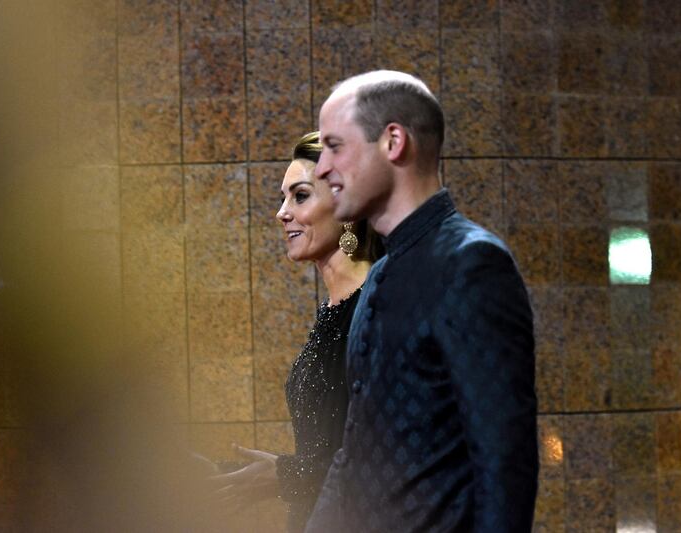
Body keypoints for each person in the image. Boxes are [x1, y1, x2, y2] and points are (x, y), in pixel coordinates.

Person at [305, 71, 538, 532]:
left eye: (335, 146)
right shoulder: (381, 274)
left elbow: (504, 461)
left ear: (393, 141)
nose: (321, 168)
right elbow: (354, 450)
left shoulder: (471, 263)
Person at [211, 132, 384, 533]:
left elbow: (388, 459)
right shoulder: (334, 310)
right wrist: (233, 474)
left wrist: (281, 475)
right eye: (282, 198)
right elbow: (326, 447)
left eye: (300, 196)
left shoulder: (379, 308)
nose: (281, 213)